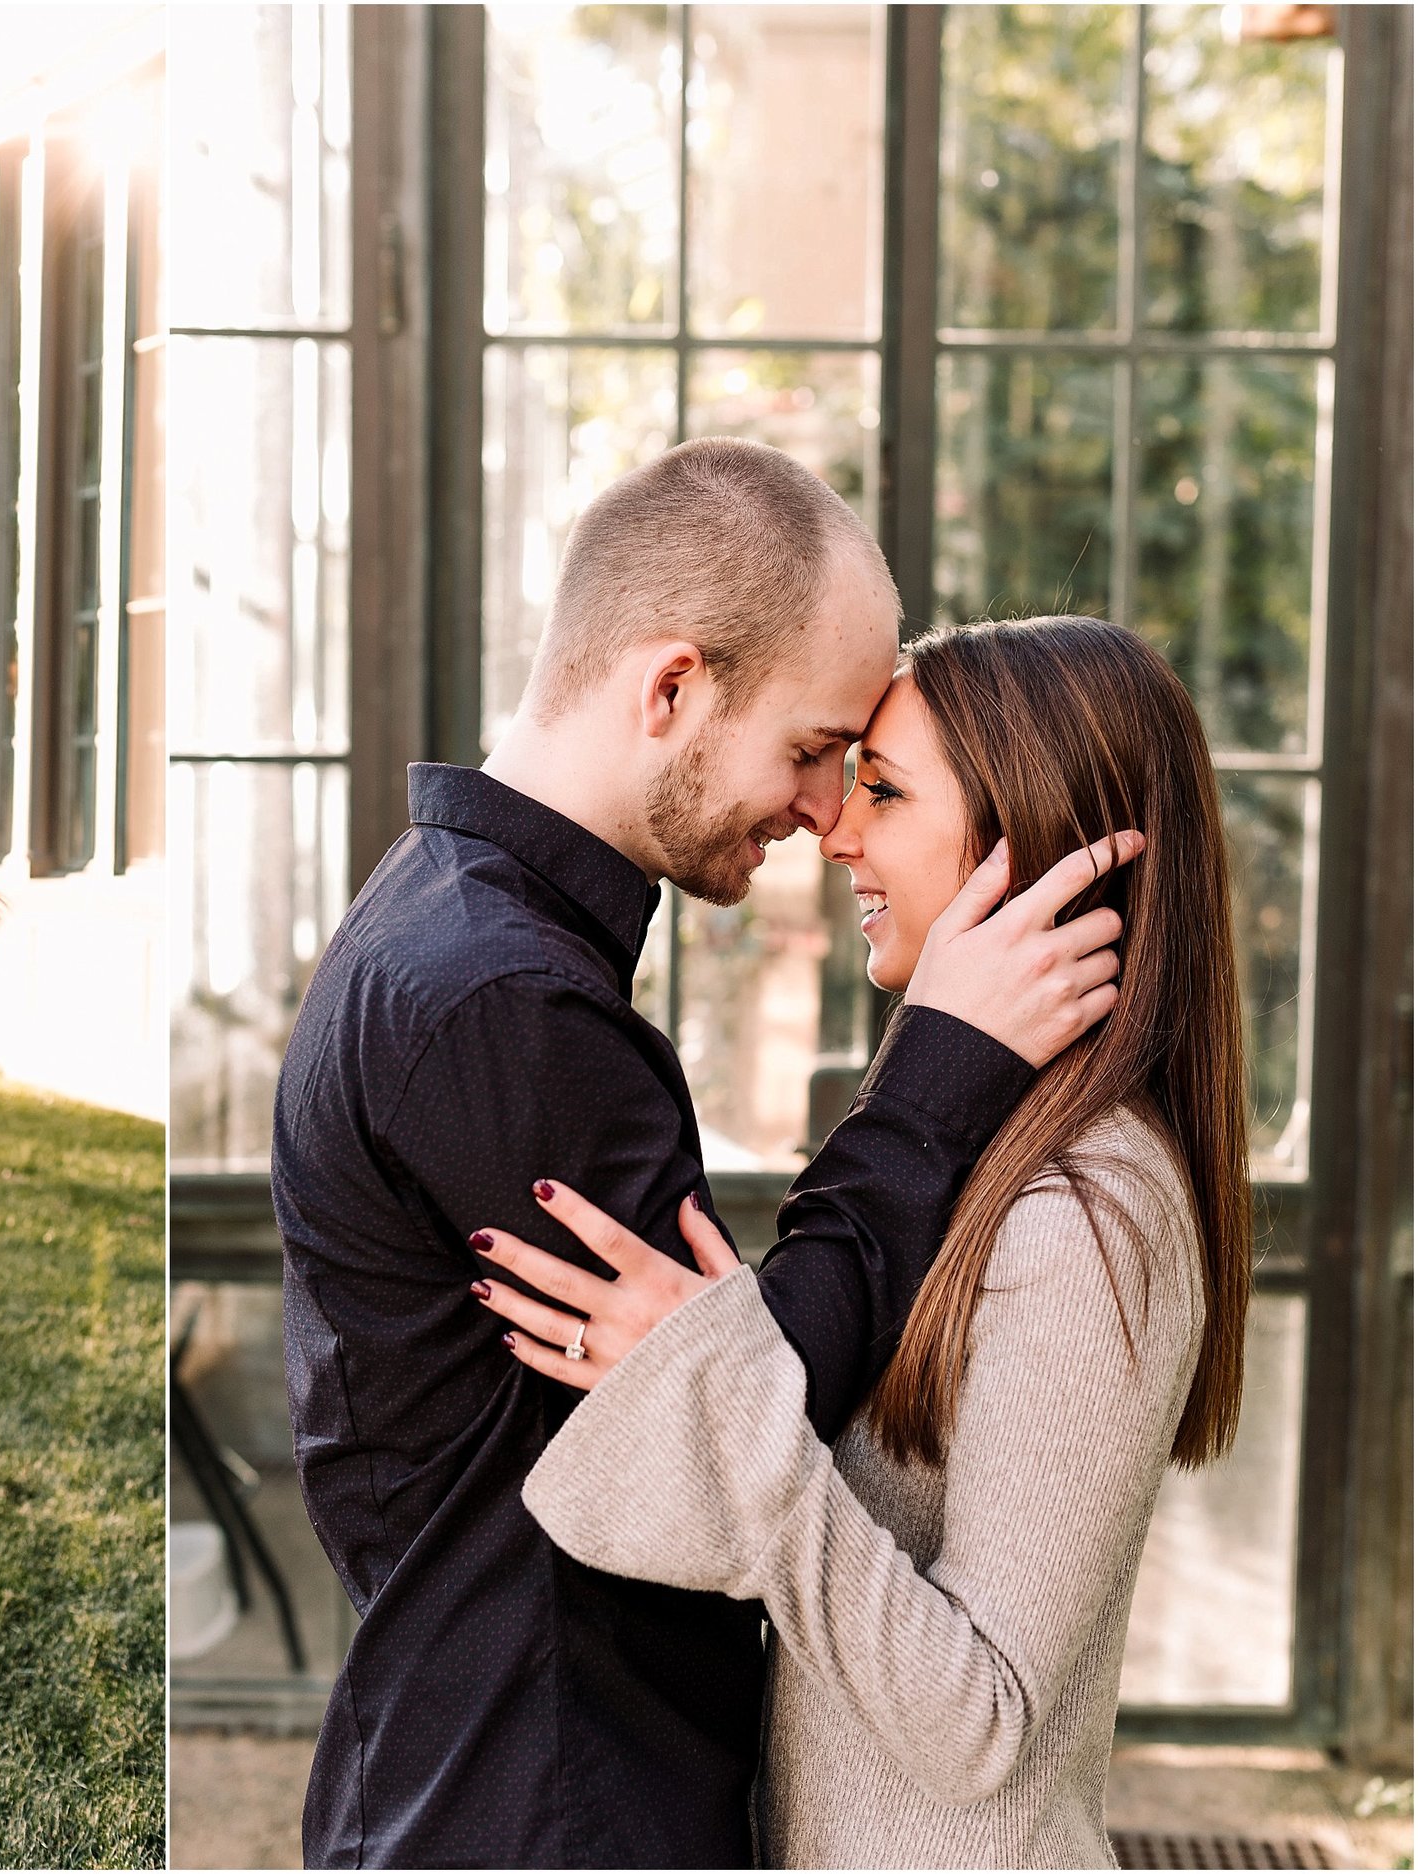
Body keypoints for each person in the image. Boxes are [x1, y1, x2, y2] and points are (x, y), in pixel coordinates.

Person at [271, 440, 1140, 1867]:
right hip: (550, 1800)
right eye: (810, 751)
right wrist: (944, 1064)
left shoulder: (452, 923)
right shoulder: (510, 1005)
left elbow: (697, 1368)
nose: (821, 814)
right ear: (672, 687)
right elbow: (726, 1411)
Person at [477, 616, 1249, 1867]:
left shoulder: (1091, 1210)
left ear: (1026, 840)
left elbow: (982, 1719)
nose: (834, 830)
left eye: (882, 790)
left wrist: (723, 1395)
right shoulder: (993, 1134)